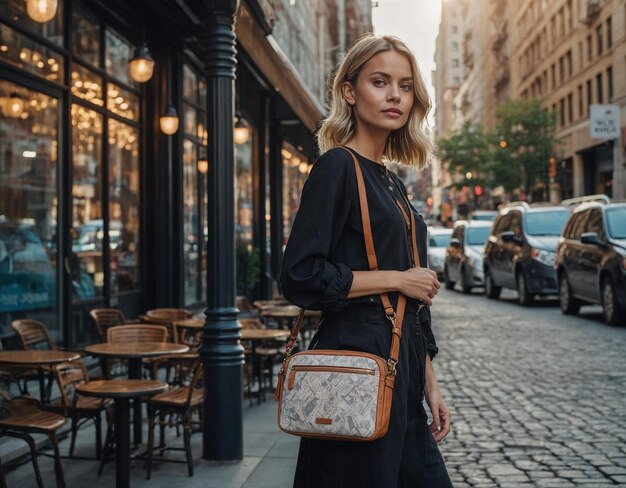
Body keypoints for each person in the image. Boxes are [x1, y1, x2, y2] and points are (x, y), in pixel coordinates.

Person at [280, 34, 453, 487]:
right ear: (350, 92)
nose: (395, 95)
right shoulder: (338, 166)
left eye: (405, 85)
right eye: (380, 82)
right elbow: (300, 277)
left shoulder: (392, 183)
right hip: (358, 363)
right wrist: (397, 278)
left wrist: (430, 383)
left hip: (401, 366)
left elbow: (414, 301)